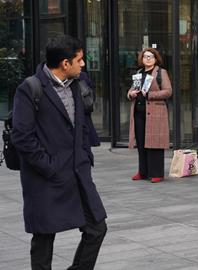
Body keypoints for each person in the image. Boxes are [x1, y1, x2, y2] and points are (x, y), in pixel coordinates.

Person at [11, 35, 107, 270]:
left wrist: (84, 155)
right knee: (44, 237)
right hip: (46, 177)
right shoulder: (30, 88)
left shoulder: (80, 82)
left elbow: (83, 124)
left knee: (97, 228)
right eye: (79, 60)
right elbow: (22, 137)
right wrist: (49, 166)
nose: (83, 64)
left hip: (78, 172)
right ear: (65, 63)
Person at [127, 48, 172, 183]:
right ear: (141, 58)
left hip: (156, 113)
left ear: (156, 59)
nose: (148, 59)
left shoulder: (161, 72)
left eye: (151, 56)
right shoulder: (139, 73)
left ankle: (156, 173)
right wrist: (130, 94)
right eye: (145, 56)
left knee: (155, 143)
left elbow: (168, 91)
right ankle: (143, 172)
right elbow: (132, 89)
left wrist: (150, 95)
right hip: (139, 113)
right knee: (141, 143)